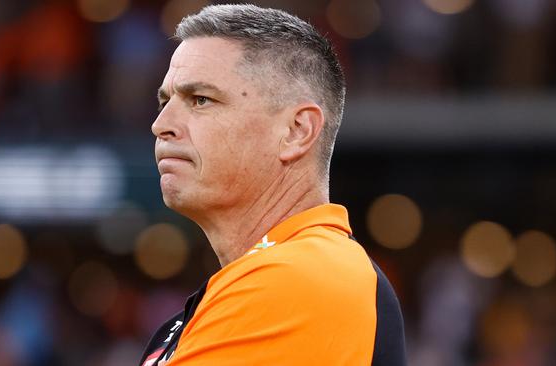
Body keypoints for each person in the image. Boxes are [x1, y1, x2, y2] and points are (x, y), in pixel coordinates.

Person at [139, 4, 406, 366]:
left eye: (201, 99)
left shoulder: (304, 276)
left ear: (297, 131)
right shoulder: (271, 276)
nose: (161, 124)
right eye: (165, 101)